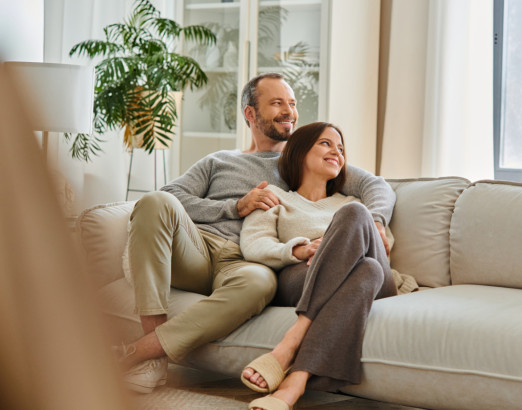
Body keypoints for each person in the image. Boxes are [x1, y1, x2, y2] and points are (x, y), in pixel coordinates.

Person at [116, 72, 397, 393]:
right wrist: (236, 206)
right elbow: (170, 194)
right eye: (277, 103)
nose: (289, 111)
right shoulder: (219, 161)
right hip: (197, 249)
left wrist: (376, 223)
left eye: (292, 104)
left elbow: (376, 186)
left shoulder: (304, 159)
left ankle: (142, 352)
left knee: (260, 283)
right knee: (155, 202)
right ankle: (153, 355)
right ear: (250, 113)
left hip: (247, 262)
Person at [239, 122, 417, 410]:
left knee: (357, 221)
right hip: (302, 278)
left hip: (380, 284)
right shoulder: (275, 197)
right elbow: (254, 244)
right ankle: (296, 382)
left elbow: (381, 247)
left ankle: (289, 343)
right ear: (299, 151)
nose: (336, 151)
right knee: (367, 270)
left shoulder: (354, 204)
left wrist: (335, 246)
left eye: (341, 148)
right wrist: (300, 248)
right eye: (326, 143)